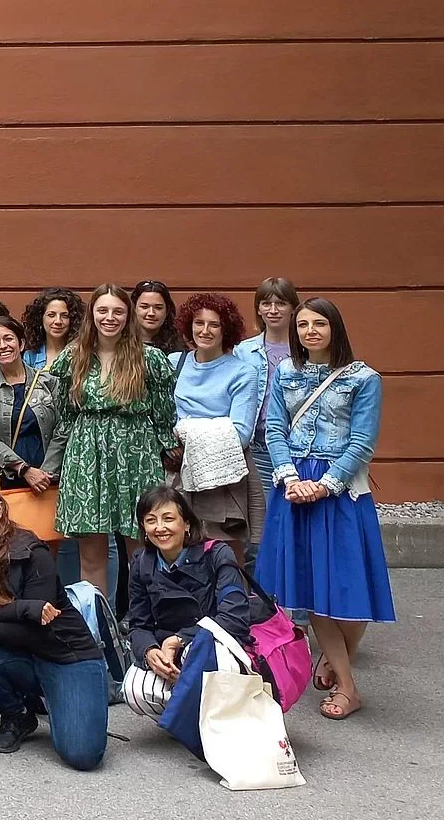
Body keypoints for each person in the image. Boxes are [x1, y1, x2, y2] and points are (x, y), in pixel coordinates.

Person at [256, 297, 392, 721]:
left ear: (336, 328)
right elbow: (274, 428)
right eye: (302, 325)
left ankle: (337, 661)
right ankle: (349, 686)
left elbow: (362, 442)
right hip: (294, 486)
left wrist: (325, 485)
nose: (309, 331)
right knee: (312, 588)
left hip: (340, 490)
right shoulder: (286, 373)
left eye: (318, 324)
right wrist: (289, 477)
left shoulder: (363, 378)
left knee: (350, 584)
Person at [0, 478, 110, 770]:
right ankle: (18, 713)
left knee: (83, 756)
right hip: (22, 654)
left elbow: (34, 629)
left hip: (67, 656)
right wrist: (22, 609)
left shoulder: (32, 551)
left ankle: (56, 701)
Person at [48, 283, 176, 599]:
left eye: (118, 311)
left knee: (142, 547)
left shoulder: (151, 359)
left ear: (128, 315)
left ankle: (146, 625)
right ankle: (99, 630)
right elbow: (64, 412)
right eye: (102, 310)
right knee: (91, 553)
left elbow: (164, 414)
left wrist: (164, 449)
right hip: (87, 453)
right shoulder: (72, 357)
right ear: (92, 314)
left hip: (136, 452)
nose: (110, 317)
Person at [121, 486, 254, 721]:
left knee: (212, 659)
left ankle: (222, 717)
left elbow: (235, 618)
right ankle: (192, 719)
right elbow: (138, 625)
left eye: (168, 519)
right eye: (151, 521)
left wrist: (180, 639)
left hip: (216, 646)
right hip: (168, 652)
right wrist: (150, 651)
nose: (160, 528)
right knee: (135, 690)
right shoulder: (142, 562)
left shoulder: (218, 554)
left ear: (187, 524)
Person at [170, 293, 259, 548]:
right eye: (199, 323)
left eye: (214, 324)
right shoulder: (174, 363)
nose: (205, 330)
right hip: (177, 470)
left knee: (223, 553)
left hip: (223, 474)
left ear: (226, 330)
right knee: (177, 547)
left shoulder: (242, 372)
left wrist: (185, 429)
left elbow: (240, 433)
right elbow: (161, 417)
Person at [232, 276, 300, 564]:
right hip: (257, 446)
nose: (273, 310)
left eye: (280, 303)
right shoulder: (244, 350)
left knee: (293, 517)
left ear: (293, 309)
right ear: (258, 309)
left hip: (295, 445)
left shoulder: (304, 349)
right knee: (259, 522)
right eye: (266, 303)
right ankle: (259, 596)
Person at [0, 315, 62, 493]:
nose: (2, 346)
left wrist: (45, 473)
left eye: (8, 338)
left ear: (21, 343)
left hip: (50, 478)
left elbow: (62, 430)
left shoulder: (48, 381)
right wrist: (24, 469)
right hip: (9, 477)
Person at [21, 287, 83, 373]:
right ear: (40, 318)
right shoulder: (31, 356)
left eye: (65, 316)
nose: (58, 321)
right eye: (51, 315)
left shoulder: (81, 354)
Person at [132, 280, 184, 353]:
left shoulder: (179, 351)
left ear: (167, 310)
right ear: (134, 308)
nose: (151, 313)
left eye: (158, 308)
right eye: (144, 307)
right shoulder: (120, 345)